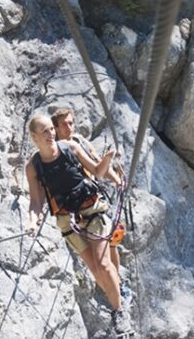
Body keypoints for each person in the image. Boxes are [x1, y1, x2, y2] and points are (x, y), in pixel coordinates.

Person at [25, 112, 124, 313]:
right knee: (96, 271)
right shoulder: (33, 167)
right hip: (69, 221)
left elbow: (97, 171)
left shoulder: (70, 147)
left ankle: (120, 310)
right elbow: (36, 202)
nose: (50, 134)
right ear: (34, 137)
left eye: (51, 129)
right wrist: (32, 222)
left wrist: (108, 158)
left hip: (92, 210)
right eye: (45, 131)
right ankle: (118, 295)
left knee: (103, 264)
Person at [50, 105, 123, 277]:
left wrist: (117, 181)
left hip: (92, 199)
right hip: (72, 207)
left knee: (111, 241)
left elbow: (99, 163)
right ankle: (109, 282)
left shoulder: (80, 142)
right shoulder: (53, 152)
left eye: (71, 123)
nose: (69, 127)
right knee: (98, 249)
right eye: (64, 124)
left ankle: (117, 282)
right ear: (56, 128)